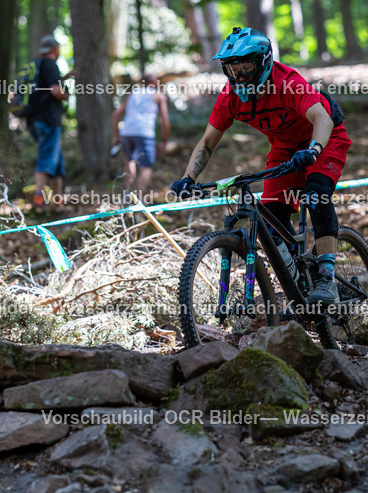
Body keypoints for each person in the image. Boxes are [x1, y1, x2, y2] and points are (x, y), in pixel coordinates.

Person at [171, 27, 351, 307]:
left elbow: (322, 118)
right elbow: (207, 142)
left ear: (264, 62)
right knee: (271, 218)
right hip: (284, 149)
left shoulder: (288, 83)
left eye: (246, 67)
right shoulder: (230, 97)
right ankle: (300, 278)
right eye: (233, 69)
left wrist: (314, 150)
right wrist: (188, 177)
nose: (240, 76)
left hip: (324, 138)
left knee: (316, 194)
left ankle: (327, 278)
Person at [29, 35, 72, 210]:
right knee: (47, 158)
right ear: (55, 49)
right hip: (48, 120)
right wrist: (66, 95)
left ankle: (57, 203)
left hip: (35, 120)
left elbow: (47, 87)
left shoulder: (38, 65)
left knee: (57, 162)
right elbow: (55, 91)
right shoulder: (50, 64)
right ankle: (38, 200)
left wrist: (66, 77)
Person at [111, 73, 170, 202]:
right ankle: (139, 198)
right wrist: (164, 140)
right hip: (145, 133)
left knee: (130, 161)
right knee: (146, 166)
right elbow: (165, 121)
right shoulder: (158, 95)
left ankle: (128, 193)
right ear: (154, 82)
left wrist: (116, 136)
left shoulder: (132, 93)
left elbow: (115, 115)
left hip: (126, 132)